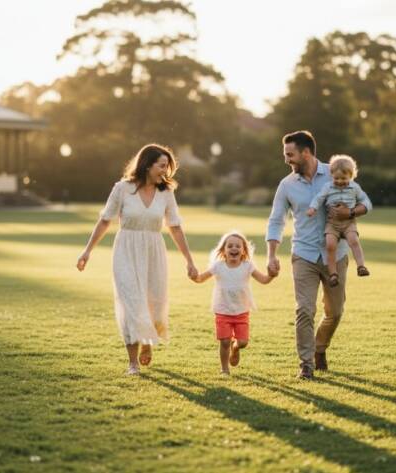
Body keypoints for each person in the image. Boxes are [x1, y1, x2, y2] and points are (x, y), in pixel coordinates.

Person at [77, 144, 198, 375]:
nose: (166, 170)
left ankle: (147, 341)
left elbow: (175, 227)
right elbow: (105, 220)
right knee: (130, 302)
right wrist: (87, 251)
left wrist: (189, 261)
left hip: (153, 250)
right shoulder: (122, 188)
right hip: (125, 251)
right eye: (162, 165)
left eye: (168, 166)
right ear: (147, 164)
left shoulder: (166, 193)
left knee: (153, 302)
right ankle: (132, 363)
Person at [265, 131, 372, 380]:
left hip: (337, 255)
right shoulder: (287, 185)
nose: (287, 160)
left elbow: (365, 202)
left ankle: (320, 347)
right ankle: (306, 365)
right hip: (303, 254)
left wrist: (351, 213)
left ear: (306, 152)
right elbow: (276, 221)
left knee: (335, 312)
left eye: (290, 154)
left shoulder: (337, 171)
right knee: (304, 309)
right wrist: (271, 254)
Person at [191, 231, 274, 376]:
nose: (234, 248)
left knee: (243, 342)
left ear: (243, 251)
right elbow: (200, 278)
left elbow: (264, 280)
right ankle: (224, 369)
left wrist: (272, 275)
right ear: (223, 250)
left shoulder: (248, 266)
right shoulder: (218, 266)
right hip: (223, 310)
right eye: (230, 246)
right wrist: (193, 276)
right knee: (224, 342)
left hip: (241, 311)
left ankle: (234, 348)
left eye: (237, 246)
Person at [306, 154, 371, 287]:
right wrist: (313, 208)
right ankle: (333, 274)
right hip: (332, 223)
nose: (340, 181)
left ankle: (361, 266)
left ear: (351, 176)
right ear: (331, 175)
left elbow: (365, 202)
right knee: (330, 245)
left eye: (344, 178)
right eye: (336, 178)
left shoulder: (355, 188)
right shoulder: (328, 187)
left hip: (349, 222)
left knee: (354, 240)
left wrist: (352, 211)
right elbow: (319, 198)